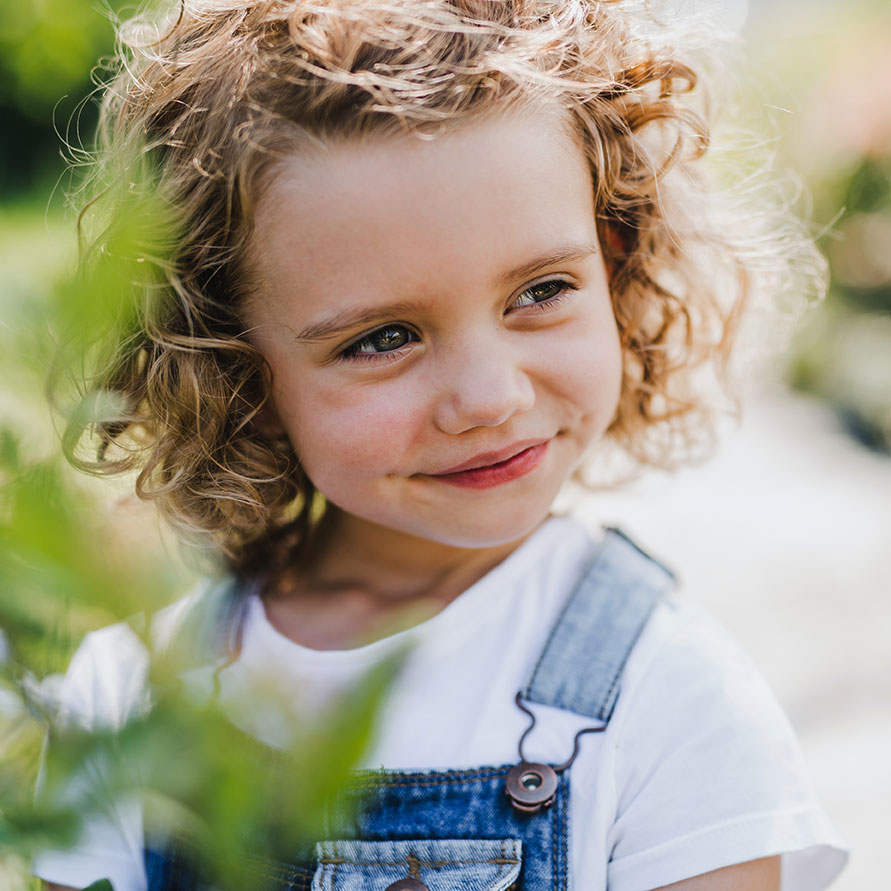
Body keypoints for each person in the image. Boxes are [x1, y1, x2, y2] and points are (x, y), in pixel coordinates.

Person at [35, 1, 848, 889]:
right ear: (238, 373)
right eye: (383, 338)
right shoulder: (127, 701)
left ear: (611, 264)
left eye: (539, 289)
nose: (490, 396)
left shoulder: (672, 704)